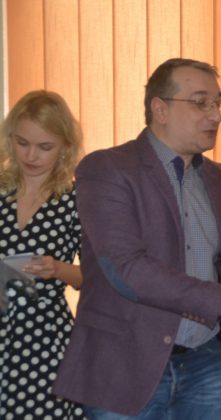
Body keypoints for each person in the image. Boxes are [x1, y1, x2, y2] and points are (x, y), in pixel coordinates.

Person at [52, 58, 221, 419]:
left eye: (218, 103)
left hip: (205, 363)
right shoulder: (107, 170)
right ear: (160, 109)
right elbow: (128, 270)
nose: (216, 116)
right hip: (125, 366)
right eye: (200, 102)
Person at [0, 90, 85, 419]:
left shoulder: (76, 200)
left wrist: (58, 269)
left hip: (44, 340)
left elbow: (96, 277)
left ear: (65, 146)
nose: (31, 155)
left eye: (44, 147)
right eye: (22, 143)